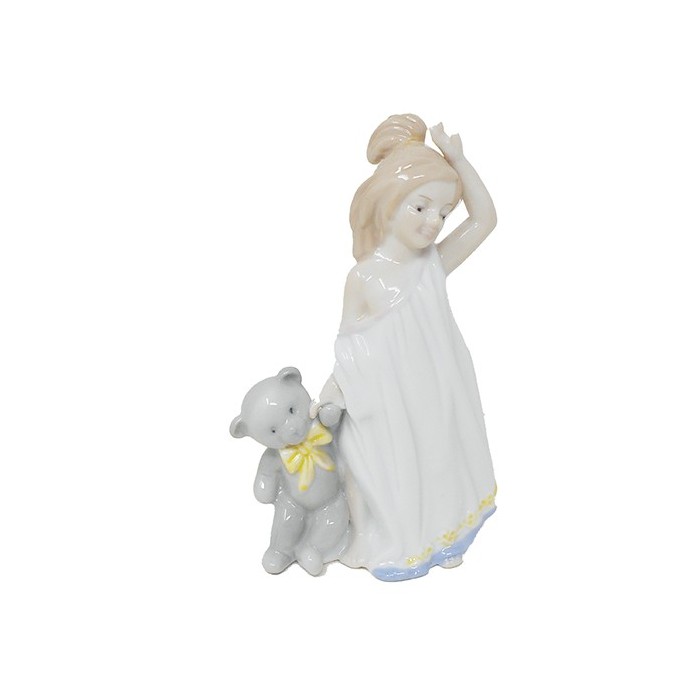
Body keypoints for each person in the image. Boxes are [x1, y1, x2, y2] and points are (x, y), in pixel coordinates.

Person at [317, 114, 498, 580]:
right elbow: (350, 343)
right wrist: (337, 389)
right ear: (389, 202)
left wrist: (459, 160)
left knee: (439, 461)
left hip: (435, 389)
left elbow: (485, 220)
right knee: (377, 463)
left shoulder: (432, 263)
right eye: (422, 207)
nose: (434, 222)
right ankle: (395, 538)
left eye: (443, 212)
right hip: (387, 395)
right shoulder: (364, 277)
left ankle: (445, 535)